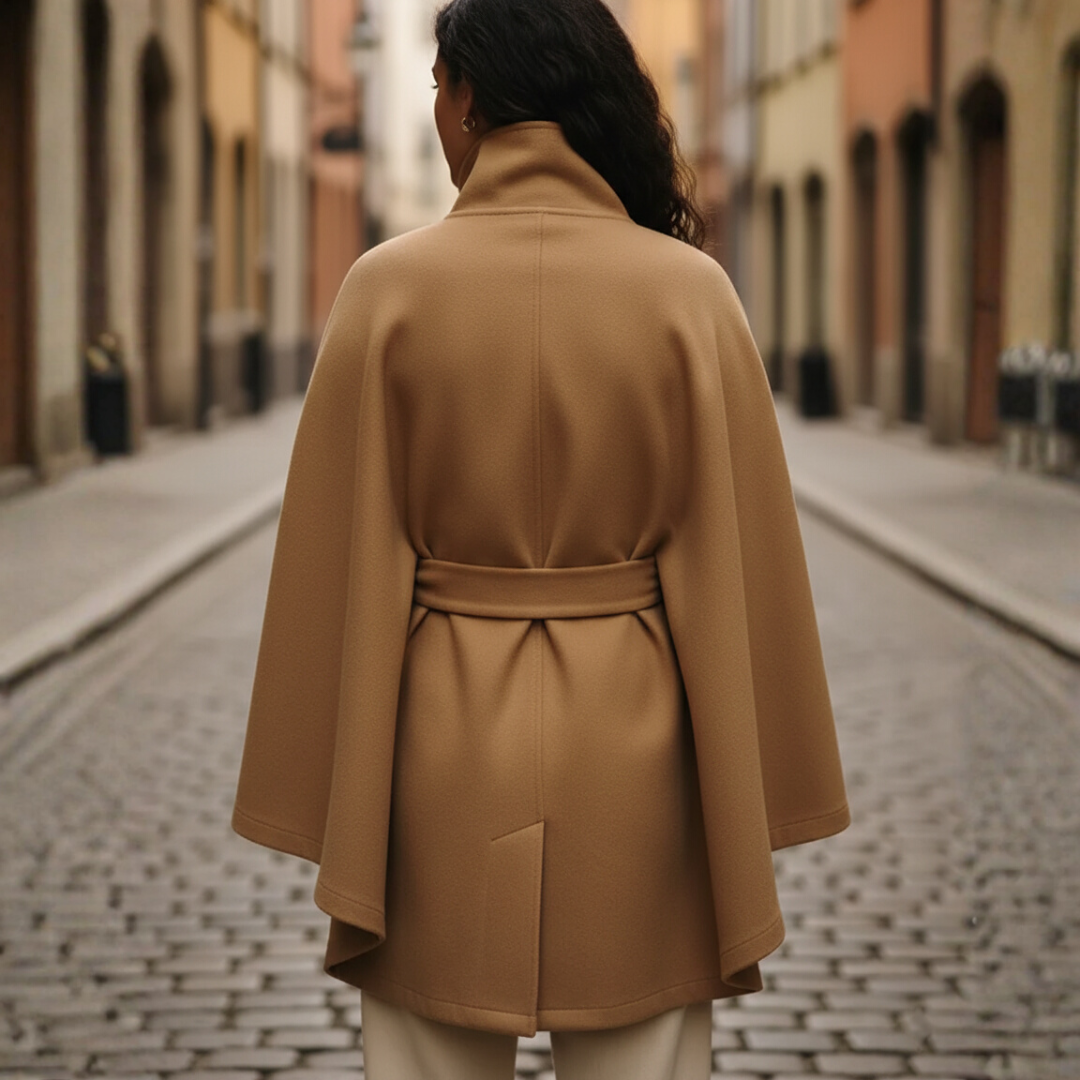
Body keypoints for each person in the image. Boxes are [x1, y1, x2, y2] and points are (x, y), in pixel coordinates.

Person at [232, 1, 849, 1077]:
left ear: (471, 101)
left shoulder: (385, 291)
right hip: (639, 752)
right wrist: (761, 788)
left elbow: (333, 568)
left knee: (426, 1054)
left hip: (436, 752)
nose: (433, 110)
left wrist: (317, 786)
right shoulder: (691, 295)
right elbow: (744, 569)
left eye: (436, 88)